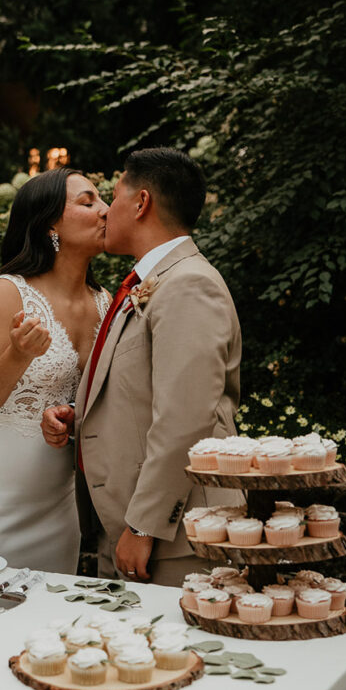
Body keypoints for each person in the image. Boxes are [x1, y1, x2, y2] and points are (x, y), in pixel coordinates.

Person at [41, 147, 242, 586]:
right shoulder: (150, 282)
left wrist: (143, 526)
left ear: (141, 202)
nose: (107, 211)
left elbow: (186, 420)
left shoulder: (188, 285)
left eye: (112, 197)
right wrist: (81, 418)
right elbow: (142, 391)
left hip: (178, 538)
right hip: (130, 529)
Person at [0, 168, 110, 573]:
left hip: (55, 501)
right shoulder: (7, 292)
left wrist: (70, 417)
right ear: (50, 222)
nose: (106, 211)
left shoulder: (105, 301)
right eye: (88, 202)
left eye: (102, 200)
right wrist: (17, 354)